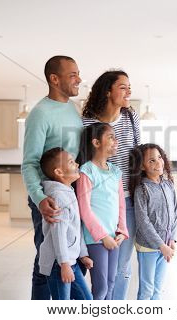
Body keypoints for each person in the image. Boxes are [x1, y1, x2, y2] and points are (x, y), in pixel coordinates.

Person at [21, 55, 83, 300]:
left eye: (78, 73)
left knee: (67, 254)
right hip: (49, 198)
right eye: (73, 75)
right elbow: (29, 163)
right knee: (46, 259)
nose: (78, 79)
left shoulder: (72, 108)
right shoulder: (40, 113)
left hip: (69, 193)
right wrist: (39, 199)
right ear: (54, 79)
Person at [82, 70, 141, 299]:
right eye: (123, 87)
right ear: (108, 91)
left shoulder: (131, 117)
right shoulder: (87, 121)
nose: (129, 91)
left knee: (122, 265)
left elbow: (138, 150)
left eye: (129, 87)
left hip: (127, 198)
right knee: (99, 267)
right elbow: (84, 159)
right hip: (98, 202)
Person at [76, 123, 129, 300]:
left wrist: (122, 231)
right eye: (111, 137)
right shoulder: (86, 171)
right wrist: (102, 236)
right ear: (96, 143)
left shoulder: (116, 172)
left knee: (111, 282)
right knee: (101, 287)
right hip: (96, 239)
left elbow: (121, 205)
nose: (116, 141)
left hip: (114, 237)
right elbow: (84, 209)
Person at [37, 147, 93, 300]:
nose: (76, 164)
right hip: (59, 264)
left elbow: (76, 228)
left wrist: (83, 254)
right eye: (71, 162)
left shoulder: (68, 191)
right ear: (59, 172)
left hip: (70, 261)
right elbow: (58, 235)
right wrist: (64, 264)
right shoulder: (59, 197)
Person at [128, 144, 177, 300]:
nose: (158, 162)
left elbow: (175, 212)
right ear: (142, 167)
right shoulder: (142, 189)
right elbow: (143, 222)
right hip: (148, 247)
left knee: (158, 289)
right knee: (147, 289)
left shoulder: (168, 185)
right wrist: (161, 245)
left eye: (159, 157)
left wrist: (172, 239)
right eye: (151, 161)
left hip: (166, 244)